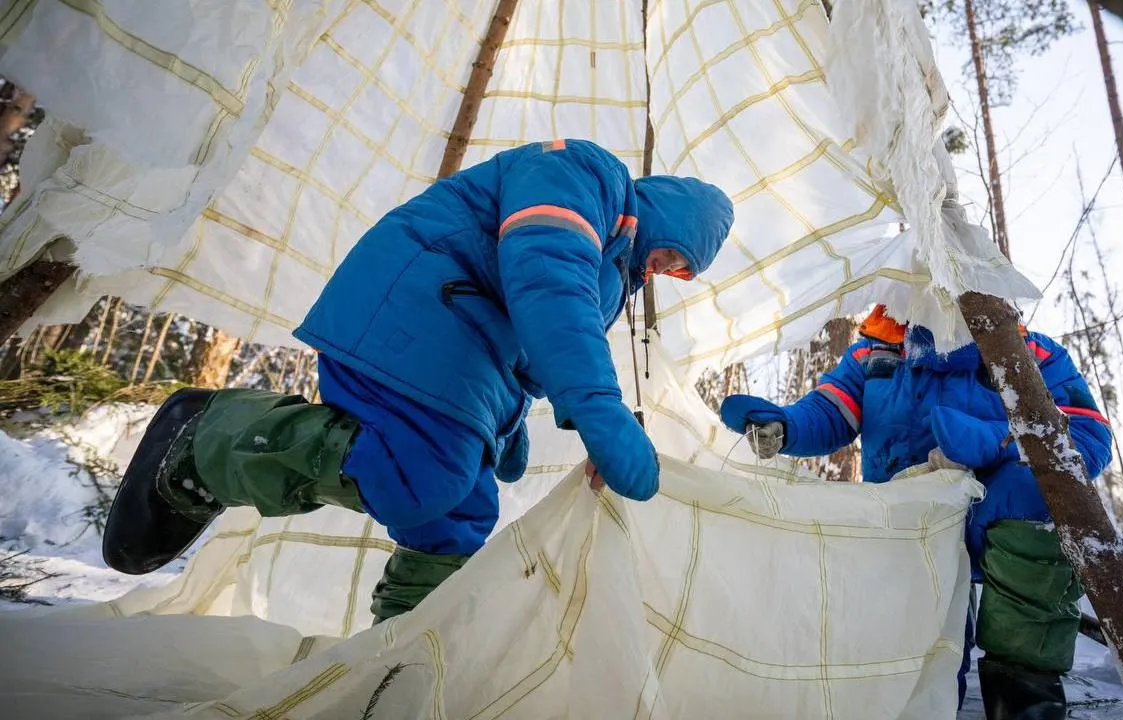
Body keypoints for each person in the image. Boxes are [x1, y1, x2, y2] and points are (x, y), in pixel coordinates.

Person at [103, 138, 734, 623]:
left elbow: (535, 351)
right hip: (412, 305)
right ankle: (209, 438)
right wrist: (602, 413)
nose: (668, 270)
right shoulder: (585, 175)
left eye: (681, 274)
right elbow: (546, 286)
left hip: (457, 343)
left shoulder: (612, 273)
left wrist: (506, 425)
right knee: (426, 476)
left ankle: (402, 657)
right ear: (667, 218)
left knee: (461, 511)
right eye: (677, 256)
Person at [718, 305, 1112, 720]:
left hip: (994, 510)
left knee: (1033, 496)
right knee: (921, 635)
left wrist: (997, 442)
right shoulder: (874, 352)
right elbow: (831, 409)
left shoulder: (1028, 351)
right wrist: (787, 425)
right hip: (910, 518)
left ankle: (1025, 698)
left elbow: (1087, 433)